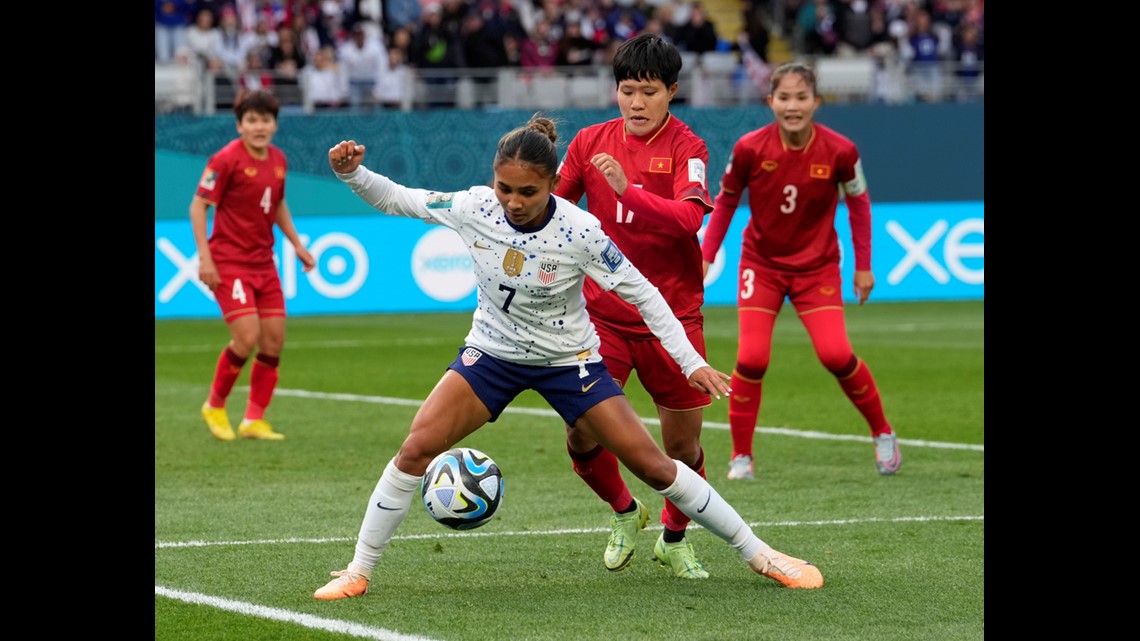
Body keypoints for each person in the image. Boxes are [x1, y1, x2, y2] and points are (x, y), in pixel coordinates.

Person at [313, 115, 823, 600]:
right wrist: (351, 173)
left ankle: (761, 555)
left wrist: (690, 362)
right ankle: (358, 571)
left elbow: (644, 293)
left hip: (569, 362)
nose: (513, 202)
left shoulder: (581, 231)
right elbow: (401, 199)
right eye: (504, 188)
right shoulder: (473, 207)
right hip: (492, 355)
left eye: (528, 192)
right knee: (416, 447)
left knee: (652, 464)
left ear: (554, 182)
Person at [552, 32, 715, 579]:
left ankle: (674, 537)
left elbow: (691, 220)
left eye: (648, 92)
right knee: (581, 430)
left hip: (674, 318)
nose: (636, 103)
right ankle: (624, 512)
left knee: (681, 447)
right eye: (627, 91)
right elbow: (553, 208)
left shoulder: (688, 149)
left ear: (672, 91)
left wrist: (629, 193)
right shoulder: (588, 141)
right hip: (602, 319)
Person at [700, 62, 901, 480]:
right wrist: (706, 253)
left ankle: (882, 432)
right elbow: (725, 201)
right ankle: (741, 457)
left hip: (817, 268)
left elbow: (859, 205)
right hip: (762, 265)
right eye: (785, 98)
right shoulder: (750, 148)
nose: (793, 106)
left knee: (836, 354)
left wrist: (864, 266)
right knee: (751, 358)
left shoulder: (841, 151)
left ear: (817, 102)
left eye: (802, 97)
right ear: (770, 101)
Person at [191, 89, 316, 442]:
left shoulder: (278, 159)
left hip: (264, 263)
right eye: (251, 120)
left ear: (275, 124)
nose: (259, 126)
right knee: (246, 338)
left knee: (273, 342)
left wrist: (298, 245)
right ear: (239, 125)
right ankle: (215, 405)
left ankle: (253, 420)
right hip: (229, 263)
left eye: (265, 120)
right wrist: (206, 258)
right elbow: (198, 206)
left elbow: (276, 204)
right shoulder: (224, 160)